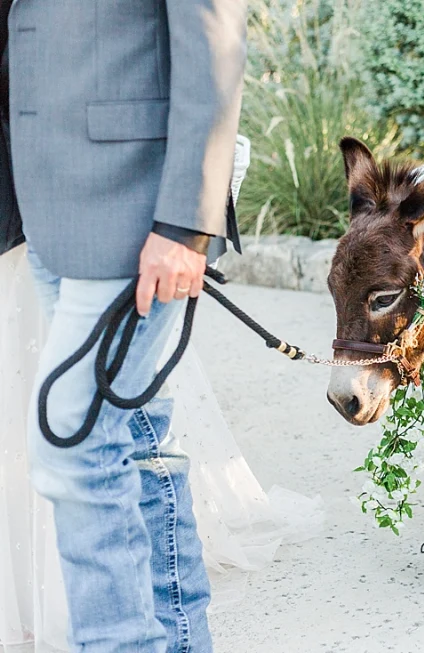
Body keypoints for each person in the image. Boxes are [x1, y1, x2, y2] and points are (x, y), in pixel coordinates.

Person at [0, 1, 257, 650]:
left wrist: (185, 224)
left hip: (136, 207)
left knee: (74, 450)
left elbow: (215, 37)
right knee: (135, 439)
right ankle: (181, 639)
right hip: (54, 205)